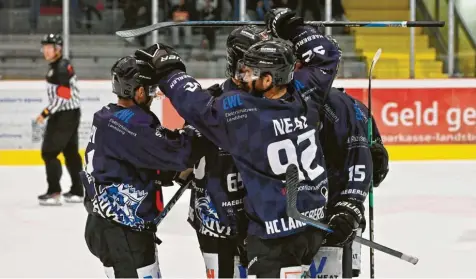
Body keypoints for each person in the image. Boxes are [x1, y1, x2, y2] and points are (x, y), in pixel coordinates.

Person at [134, 7, 342, 275]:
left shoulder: (244, 112)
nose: (241, 76)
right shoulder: (306, 94)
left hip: (272, 236)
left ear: (268, 79)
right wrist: (293, 27)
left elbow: (197, 106)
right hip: (310, 225)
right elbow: (326, 55)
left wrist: (169, 72)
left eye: (250, 72)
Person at [80, 55, 200, 278]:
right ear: (139, 91)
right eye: (150, 89)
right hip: (122, 231)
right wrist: (199, 125)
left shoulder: (109, 116)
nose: (153, 95)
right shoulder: (131, 123)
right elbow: (180, 152)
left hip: (110, 225)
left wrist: (170, 172)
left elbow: (140, 159)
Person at [187, 25, 267, 279]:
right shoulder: (210, 102)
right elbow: (184, 155)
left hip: (260, 221)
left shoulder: (273, 100)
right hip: (216, 221)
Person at [36, 33, 83, 206]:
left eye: (49, 47)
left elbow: (63, 96)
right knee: (71, 153)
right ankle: (78, 191)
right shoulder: (60, 65)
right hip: (71, 113)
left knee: (49, 152)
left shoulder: (60, 67)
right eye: (45, 47)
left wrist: (46, 112)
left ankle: (54, 191)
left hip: (64, 115)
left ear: (58, 49)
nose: (46, 51)